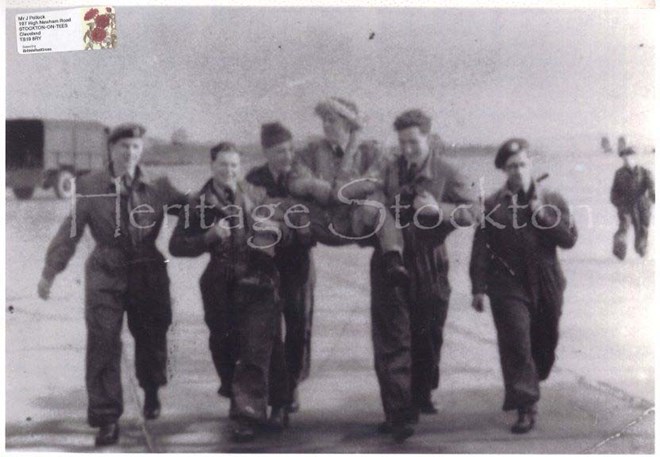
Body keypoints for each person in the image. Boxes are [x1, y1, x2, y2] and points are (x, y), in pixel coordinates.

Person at [37, 123, 188, 446]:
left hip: (147, 270)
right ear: (111, 149)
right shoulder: (90, 185)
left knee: (151, 336)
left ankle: (150, 389)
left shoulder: (159, 186)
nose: (130, 153)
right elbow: (71, 230)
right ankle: (106, 418)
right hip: (106, 271)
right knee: (103, 342)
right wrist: (51, 270)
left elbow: (192, 208)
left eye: (136, 147)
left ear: (141, 150)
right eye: (124, 147)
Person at [168, 142, 290, 443]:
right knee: (223, 347)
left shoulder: (256, 195)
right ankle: (240, 395)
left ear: (240, 167)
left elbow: (287, 228)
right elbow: (176, 245)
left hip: (257, 280)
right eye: (223, 165)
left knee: (256, 348)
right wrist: (208, 237)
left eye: (234, 166)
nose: (229, 171)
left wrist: (273, 232)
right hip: (219, 285)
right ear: (212, 165)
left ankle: (248, 415)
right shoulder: (198, 203)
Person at [372, 109, 478, 441]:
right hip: (391, 263)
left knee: (427, 339)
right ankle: (398, 413)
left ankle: (419, 394)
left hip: (430, 264)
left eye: (413, 142)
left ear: (428, 139)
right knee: (393, 342)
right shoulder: (388, 169)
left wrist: (440, 210)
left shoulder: (447, 171)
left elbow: (475, 210)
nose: (407, 149)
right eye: (401, 142)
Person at [469, 138, 578, 434]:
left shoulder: (552, 199)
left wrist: (541, 213)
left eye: (522, 164)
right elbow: (482, 246)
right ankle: (525, 406)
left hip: (546, 281)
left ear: (531, 164)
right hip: (507, 285)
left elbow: (568, 239)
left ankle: (533, 377)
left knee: (545, 344)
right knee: (516, 343)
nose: (517, 170)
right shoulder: (492, 204)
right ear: (504, 170)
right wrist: (478, 286)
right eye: (511, 166)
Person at [286, 96, 408, 285]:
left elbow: (374, 180)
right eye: (323, 120)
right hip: (319, 223)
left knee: (379, 211)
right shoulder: (310, 152)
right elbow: (296, 181)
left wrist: (339, 188)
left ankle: (393, 258)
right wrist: (315, 186)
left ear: (349, 124)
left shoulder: (371, 151)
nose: (325, 125)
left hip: (355, 222)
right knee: (283, 209)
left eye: (331, 120)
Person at [245, 122, 316, 413]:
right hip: (266, 264)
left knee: (299, 326)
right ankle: (277, 391)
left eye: (290, 149)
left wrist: (283, 222)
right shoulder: (254, 178)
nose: (287, 156)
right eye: (279, 151)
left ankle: (293, 383)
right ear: (266, 152)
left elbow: (314, 222)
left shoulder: (303, 176)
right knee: (270, 330)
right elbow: (251, 218)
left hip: (298, 262)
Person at [610, 146, 654, 260]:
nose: (626, 161)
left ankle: (641, 248)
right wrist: (619, 203)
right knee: (624, 225)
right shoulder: (619, 174)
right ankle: (619, 249)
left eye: (628, 158)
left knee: (642, 229)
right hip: (626, 205)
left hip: (641, 205)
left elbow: (652, 190)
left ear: (634, 158)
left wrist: (649, 202)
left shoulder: (644, 172)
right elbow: (614, 192)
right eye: (624, 159)